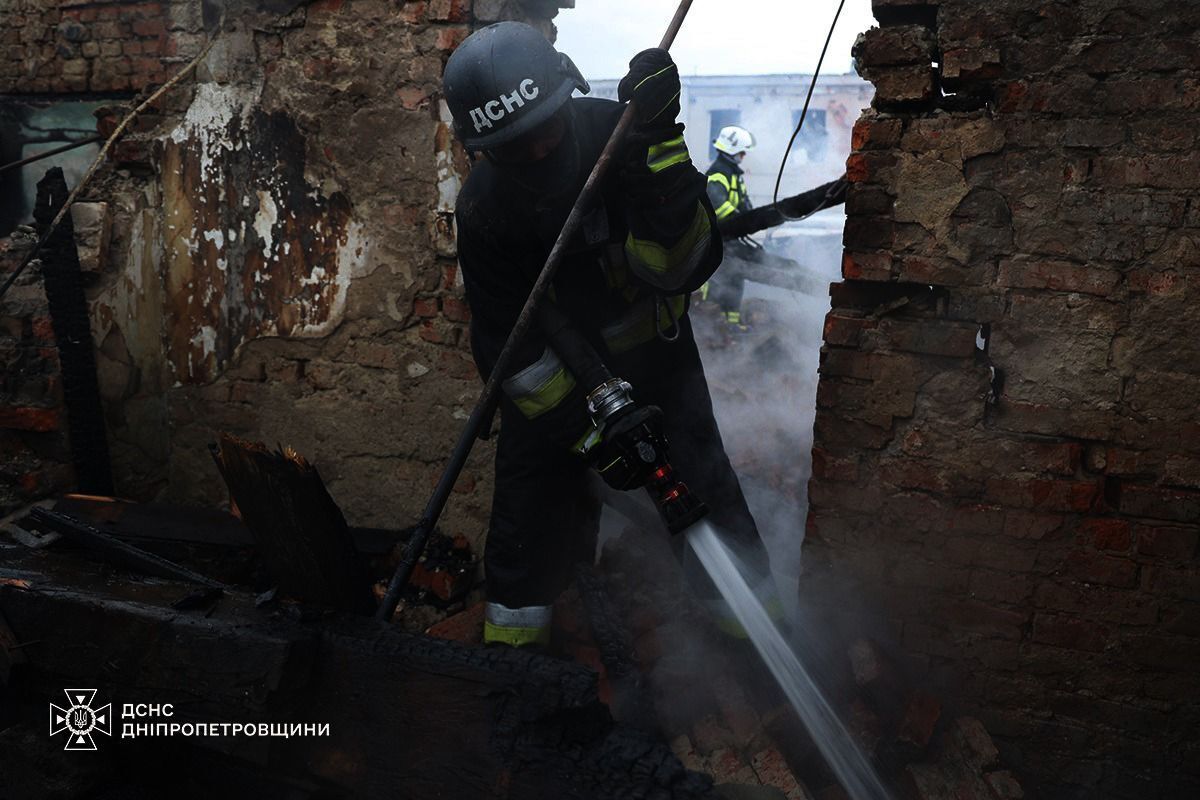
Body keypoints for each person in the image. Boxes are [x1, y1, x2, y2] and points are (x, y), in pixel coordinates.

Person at [443, 22, 772, 647]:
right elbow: (511, 354)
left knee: (709, 500)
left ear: (568, 96)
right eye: (516, 146)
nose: (538, 153)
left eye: (545, 130)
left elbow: (679, 269)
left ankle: (754, 648)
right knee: (527, 529)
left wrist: (661, 148)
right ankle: (520, 677)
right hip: (556, 390)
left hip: (659, 366)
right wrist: (592, 435)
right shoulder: (484, 207)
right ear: (482, 147)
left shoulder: (620, 138)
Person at [703, 125, 757, 327]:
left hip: (732, 243)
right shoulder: (718, 174)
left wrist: (753, 217)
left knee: (735, 282)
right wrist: (742, 222)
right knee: (717, 284)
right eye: (742, 152)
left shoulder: (734, 175)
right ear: (732, 151)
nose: (743, 156)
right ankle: (711, 326)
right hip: (719, 242)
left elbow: (744, 203)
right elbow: (718, 206)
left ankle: (731, 326)